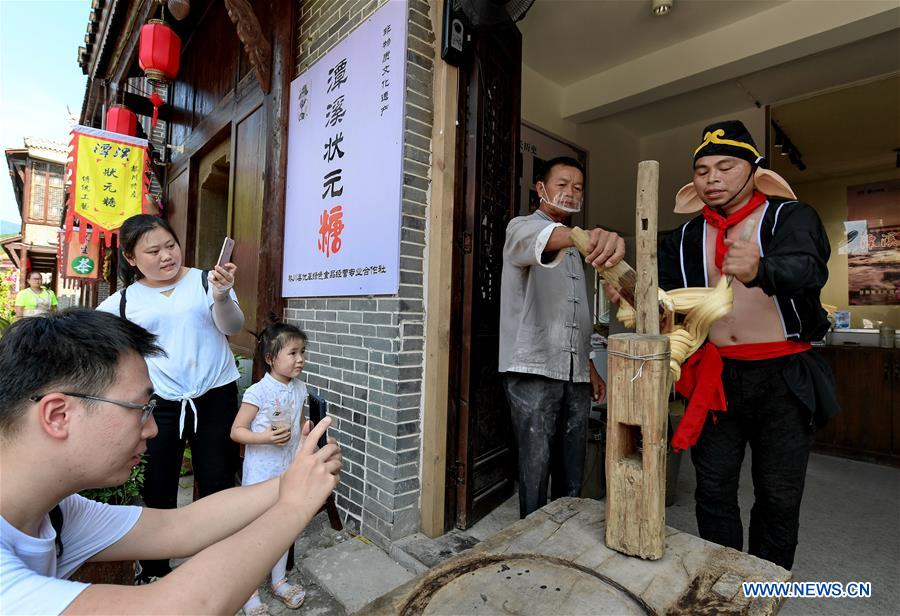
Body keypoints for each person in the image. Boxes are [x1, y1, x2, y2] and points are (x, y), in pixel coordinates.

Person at [0, 310, 341, 614]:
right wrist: (294, 507)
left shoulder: (57, 512)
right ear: (59, 415)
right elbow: (186, 606)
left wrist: (292, 481)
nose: (151, 428)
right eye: (140, 408)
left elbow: (182, 527)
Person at [655, 120, 840, 570]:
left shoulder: (791, 217)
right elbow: (660, 297)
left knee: (778, 492)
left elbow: (809, 268)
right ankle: (722, 579)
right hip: (717, 377)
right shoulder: (681, 238)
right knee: (713, 487)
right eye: (702, 170)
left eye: (725, 166)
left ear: (753, 170)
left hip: (784, 377)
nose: (712, 178)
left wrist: (762, 268)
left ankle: (766, 586)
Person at [96, 214, 246, 583]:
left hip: (215, 396)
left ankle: (217, 563)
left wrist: (222, 295)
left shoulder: (204, 281)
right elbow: (101, 354)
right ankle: (155, 569)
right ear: (131, 259)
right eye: (153, 251)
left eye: (170, 245)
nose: (166, 256)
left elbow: (233, 327)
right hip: (159, 406)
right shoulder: (122, 303)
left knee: (217, 481)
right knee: (158, 484)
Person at [500, 155, 625, 518]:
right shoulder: (521, 227)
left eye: (578, 187)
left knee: (573, 463)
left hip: (574, 372)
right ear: (541, 189)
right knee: (536, 466)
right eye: (562, 185)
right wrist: (582, 236)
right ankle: (532, 542)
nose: (571, 193)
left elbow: (575, 316)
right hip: (533, 367)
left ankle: (564, 533)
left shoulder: (575, 247)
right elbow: (540, 240)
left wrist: (590, 367)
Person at [230, 322, 310, 614]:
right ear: (270, 358)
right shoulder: (258, 392)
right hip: (260, 477)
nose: (300, 358)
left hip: (288, 472)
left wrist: (308, 444)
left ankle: (279, 582)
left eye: (302, 352)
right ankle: (249, 594)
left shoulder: (300, 388)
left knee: (283, 528)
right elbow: (237, 431)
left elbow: (300, 427)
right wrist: (264, 437)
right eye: (292, 353)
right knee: (255, 534)